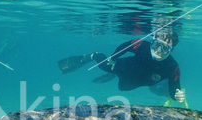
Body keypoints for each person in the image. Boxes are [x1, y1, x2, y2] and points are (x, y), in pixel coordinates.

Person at [58, 24, 186, 103]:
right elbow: (126, 45)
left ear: (171, 51)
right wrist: (113, 58)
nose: (158, 51)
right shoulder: (141, 44)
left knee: (123, 87)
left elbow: (174, 88)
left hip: (138, 80)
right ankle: (93, 55)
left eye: (164, 48)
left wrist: (177, 96)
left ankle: (114, 76)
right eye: (157, 44)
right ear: (152, 41)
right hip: (125, 67)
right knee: (104, 66)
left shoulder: (172, 67)